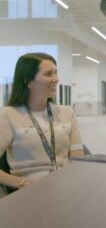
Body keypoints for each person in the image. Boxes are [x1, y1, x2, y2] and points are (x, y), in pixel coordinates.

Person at [0, 52, 84, 191]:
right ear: (29, 81)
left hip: (64, 186)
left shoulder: (67, 113)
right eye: (48, 74)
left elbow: (78, 159)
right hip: (28, 191)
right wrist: (21, 183)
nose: (56, 79)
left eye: (56, 73)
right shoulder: (8, 115)